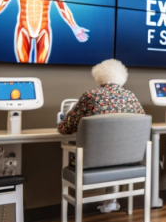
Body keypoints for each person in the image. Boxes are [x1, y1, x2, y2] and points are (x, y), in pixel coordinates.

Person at [58, 59, 145, 213]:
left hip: (93, 161)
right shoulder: (132, 97)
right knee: (112, 152)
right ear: (122, 76)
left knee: (81, 153)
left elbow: (66, 128)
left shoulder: (90, 96)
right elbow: (141, 125)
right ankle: (111, 201)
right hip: (127, 160)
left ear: (98, 76)